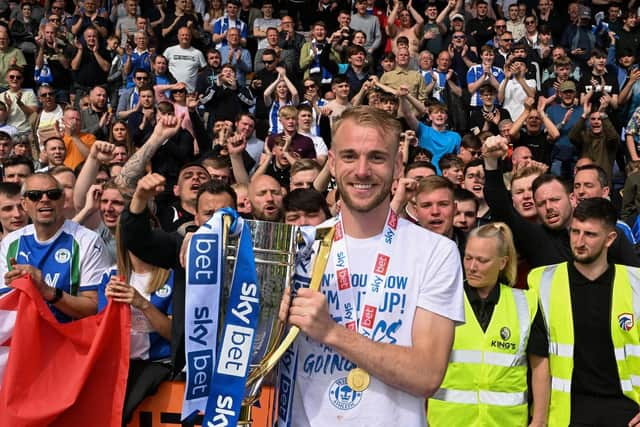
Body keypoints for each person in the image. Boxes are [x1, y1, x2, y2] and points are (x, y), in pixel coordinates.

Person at [277, 106, 464, 426]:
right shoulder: (295, 248)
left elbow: (427, 375)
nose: (362, 170)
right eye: (349, 156)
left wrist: (332, 332)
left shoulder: (436, 252)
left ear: (397, 165)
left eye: (377, 157)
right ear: (332, 163)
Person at [528, 198, 640, 427]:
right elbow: (539, 357)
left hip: (626, 413)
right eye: (575, 232)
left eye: (590, 234)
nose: (579, 241)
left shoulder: (636, 283)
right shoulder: (542, 281)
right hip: (568, 413)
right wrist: (538, 419)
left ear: (610, 239)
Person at [427, 222, 548, 426]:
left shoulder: (525, 304)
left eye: (482, 260)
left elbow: (540, 366)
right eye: (468, 258)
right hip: (448, 421)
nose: (472, 267)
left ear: (502, 262)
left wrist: (539, 419)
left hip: (506, 422)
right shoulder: (444, 300)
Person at [0, 173, 110, 323]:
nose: (45, 199)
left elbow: (95, 308)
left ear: (63, 199)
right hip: (26, 339)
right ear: (24, 204)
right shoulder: (11, 243)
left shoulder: (88, 241)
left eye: (53, 194)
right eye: (34, 195)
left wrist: (46, 290)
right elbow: (5, 305)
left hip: (70, 339)